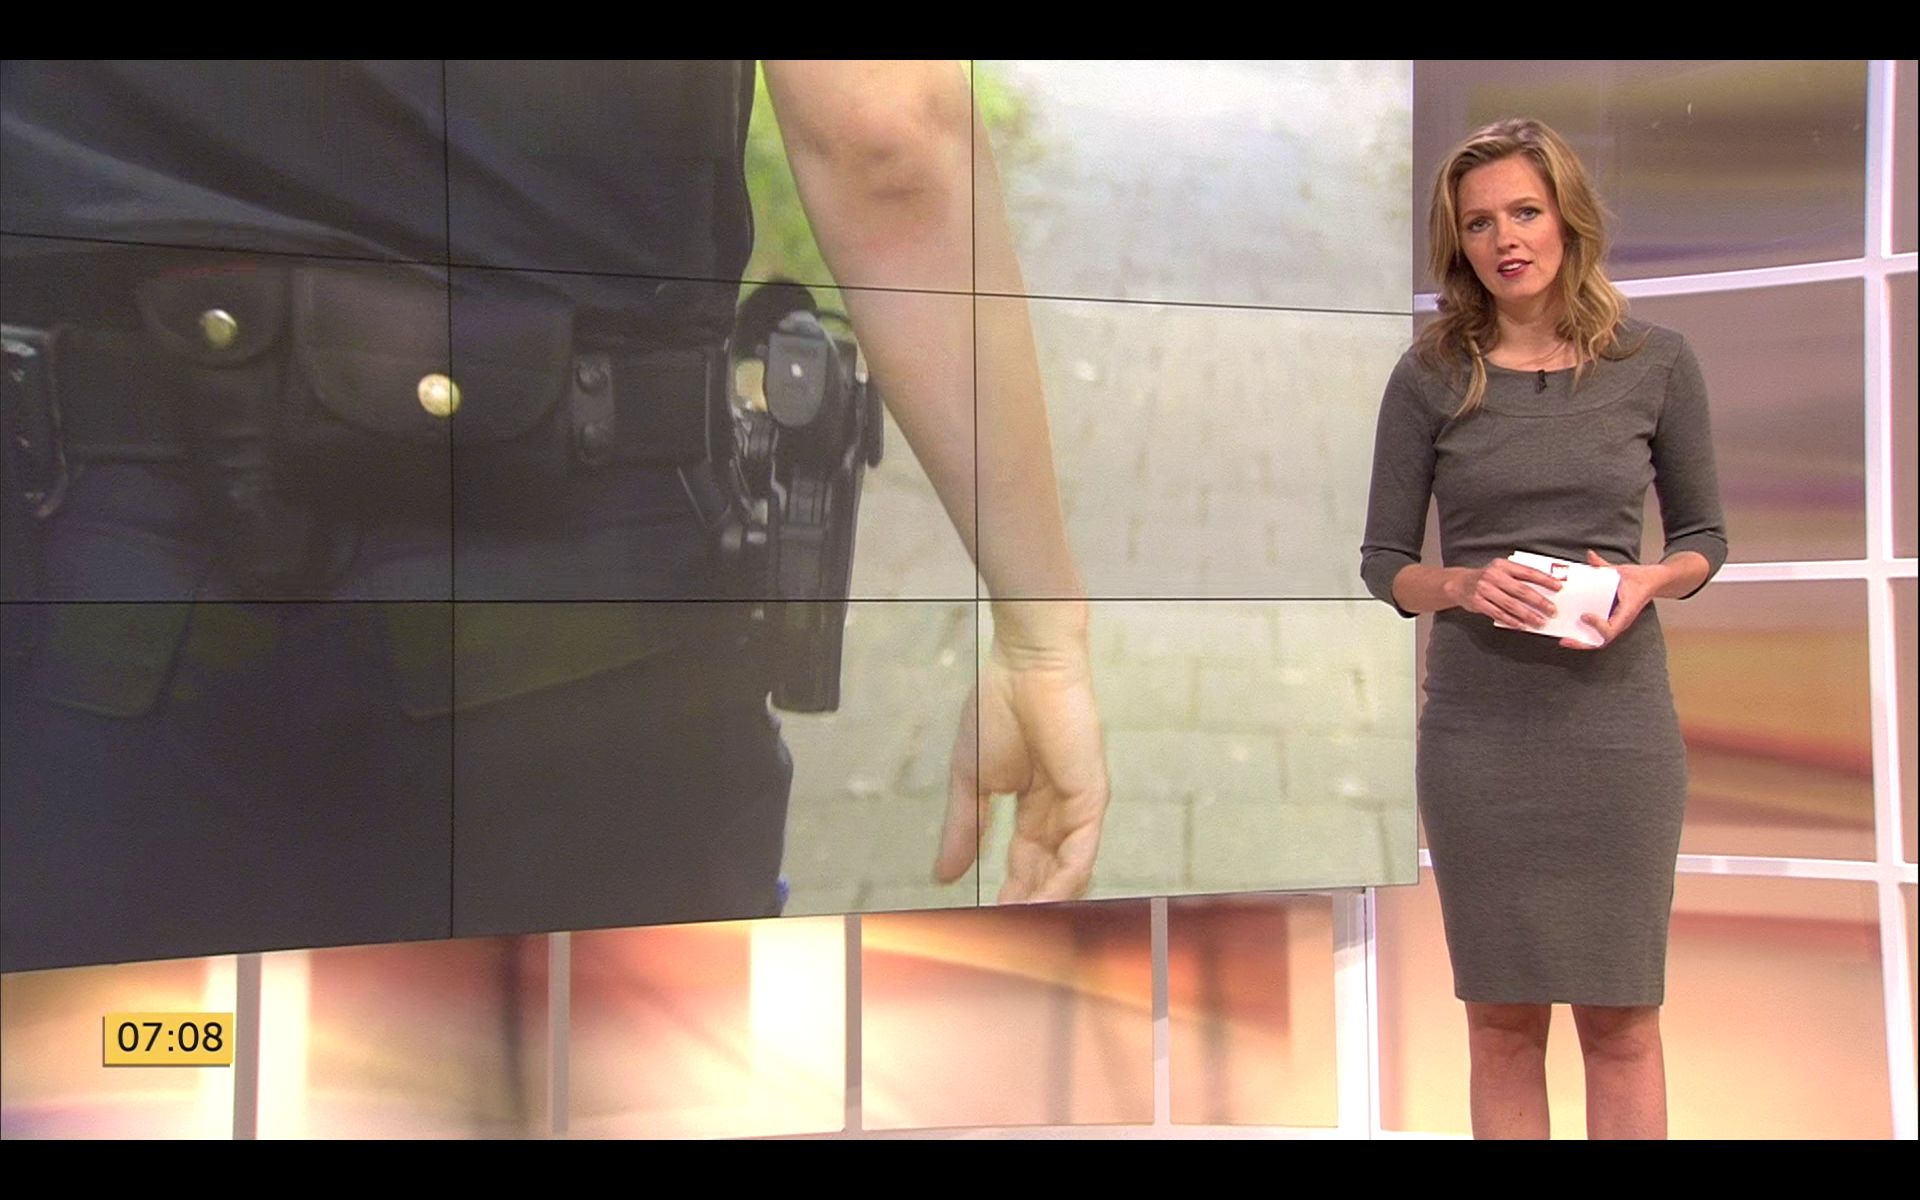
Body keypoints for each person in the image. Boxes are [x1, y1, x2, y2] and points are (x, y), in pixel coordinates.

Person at [0, 60, 1109, 973]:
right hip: (567, 582)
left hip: (83, 561)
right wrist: (1038, 630)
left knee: (134, 1075)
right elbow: (885, 135)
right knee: (581, 1077)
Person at [1359, 117, 1728, 1139]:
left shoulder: (1656, 363)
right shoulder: (1430, 375)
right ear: (1459, 242)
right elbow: (1384, 564)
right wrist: (1463, 585)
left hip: (1617, 732)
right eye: (1479, 223)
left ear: (1568, 218)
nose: (1505, 239)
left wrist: (1651, 580)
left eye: (1524, 212)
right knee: (1502, 1023)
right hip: (1480, 735)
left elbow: (1704, 537)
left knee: (1623, 1021)